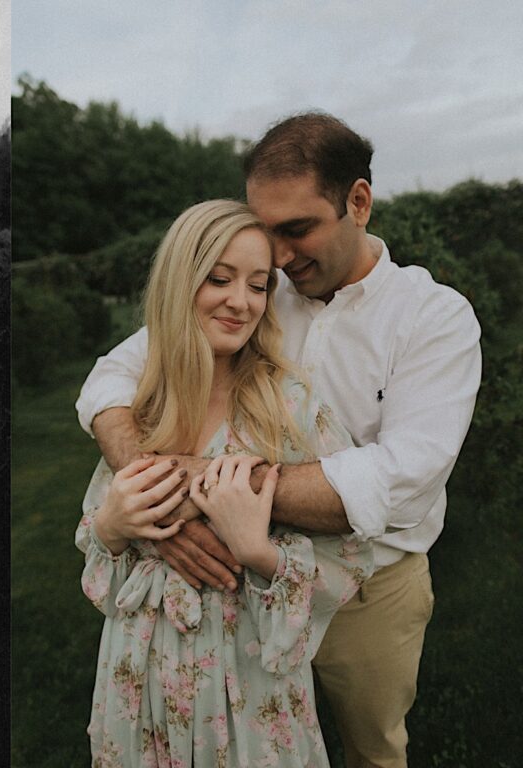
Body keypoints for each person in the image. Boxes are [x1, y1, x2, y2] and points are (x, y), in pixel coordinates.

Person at [76, 113, 482, 767]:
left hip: (369, 591)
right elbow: (113, 380)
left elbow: (403, 476)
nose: (282, 257)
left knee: (371, 749)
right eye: (269, 234)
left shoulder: (432, 318)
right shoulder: (254, 287)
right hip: (226, 596)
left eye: (298, 230)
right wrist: (151, 501)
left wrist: (205, 487)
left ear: (358, 201)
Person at [77, 198, 374, 766]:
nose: (241, 302)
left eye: (259, 286)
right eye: (219, 279)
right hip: (139, 679)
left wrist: (258, 552)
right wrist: (112, 530)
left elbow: (351, 558)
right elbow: (98, 566)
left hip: (246, 685)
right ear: (178, 281)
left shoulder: (290, 405)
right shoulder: (137, 408)